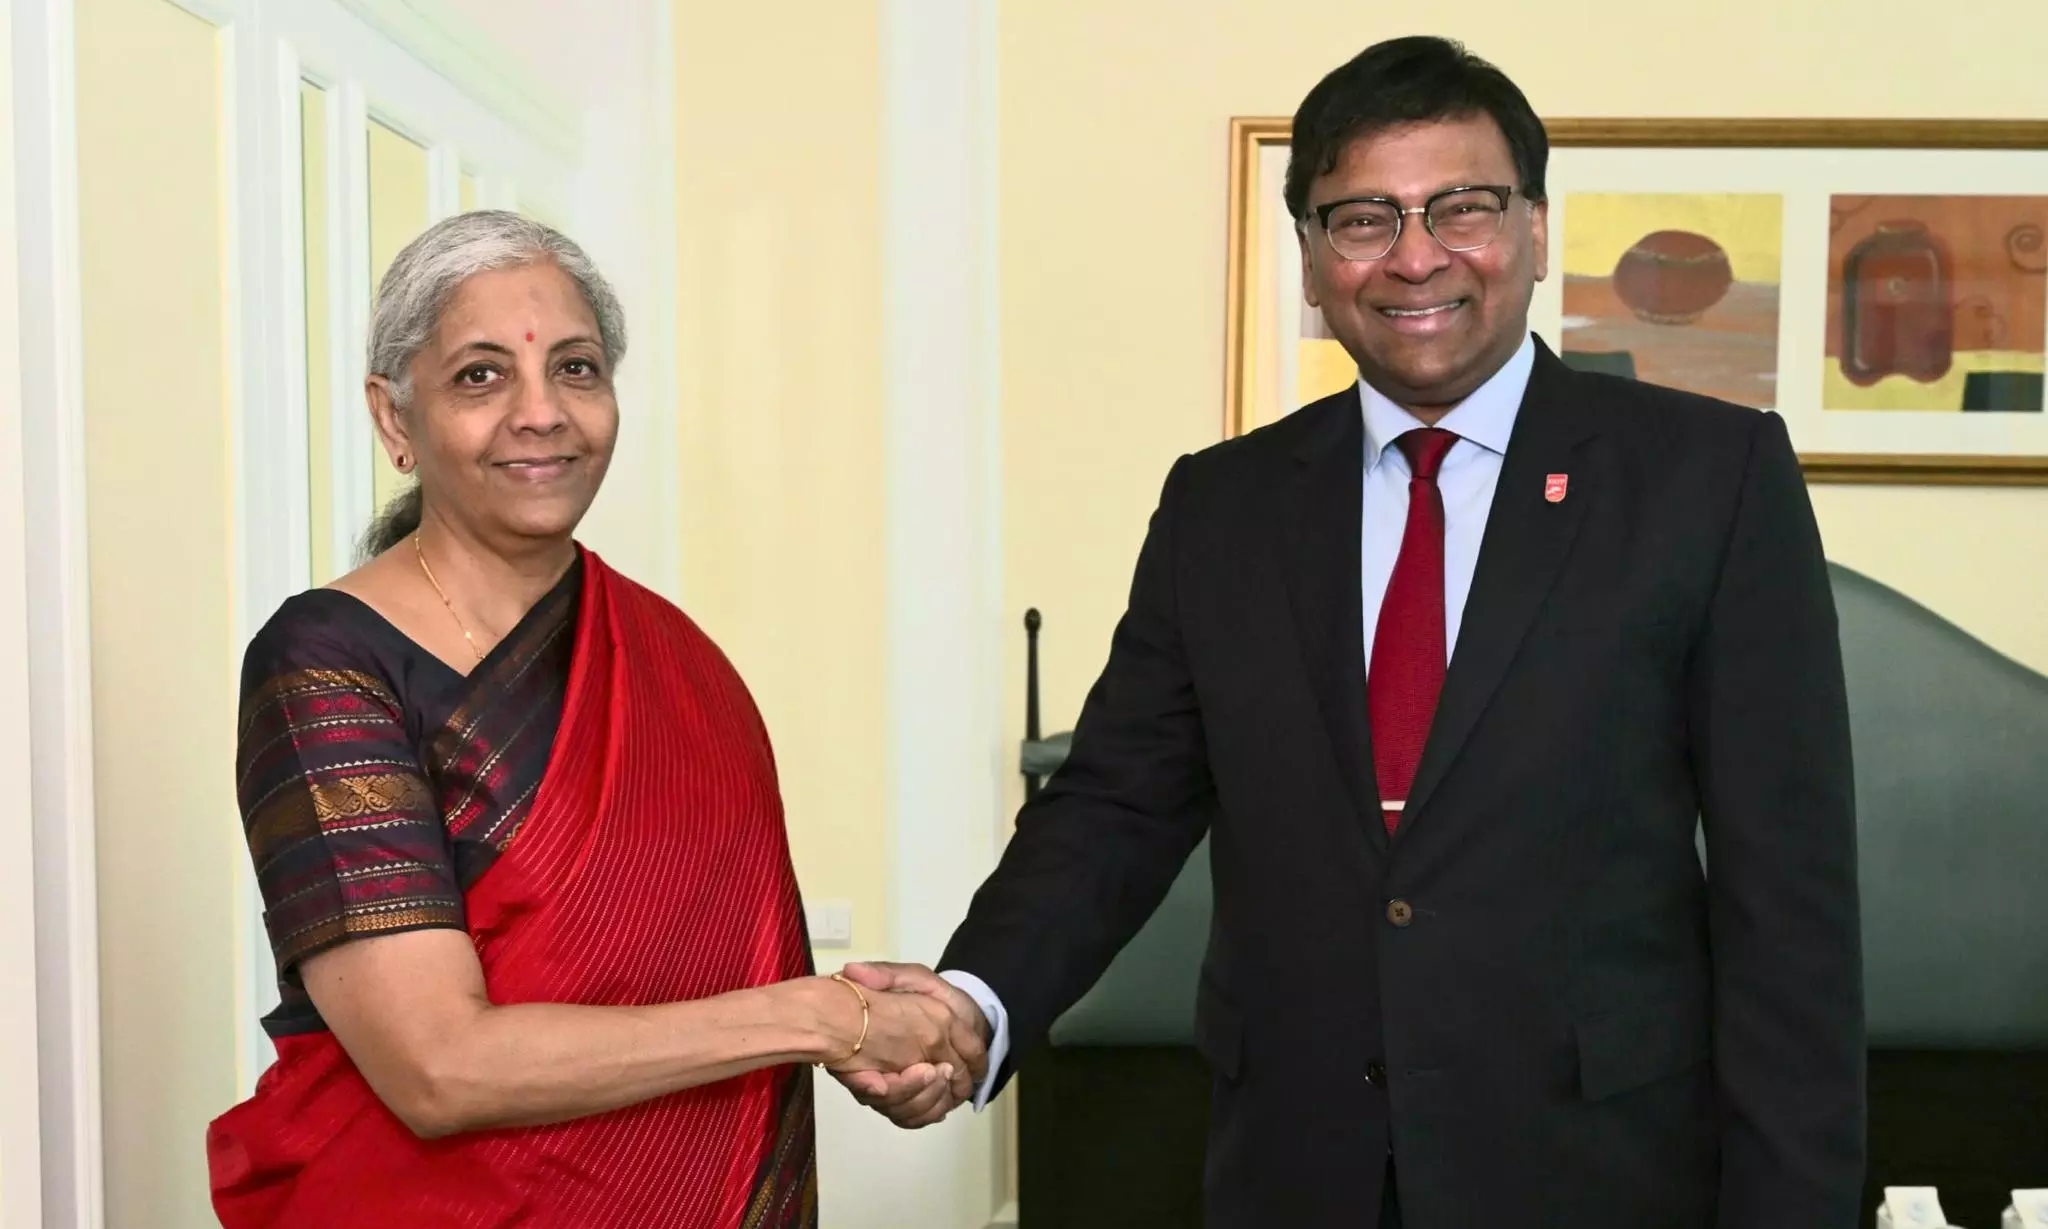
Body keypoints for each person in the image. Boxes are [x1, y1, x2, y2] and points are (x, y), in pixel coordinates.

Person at [840, 35, 1866, 1229]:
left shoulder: (1704, 478)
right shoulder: (1221, 505)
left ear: (1534, 229)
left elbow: (1785, 897)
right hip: (1296, 1163)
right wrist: (973, 1001)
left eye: (1462, 207)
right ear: (1314, 261)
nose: (1415, 254)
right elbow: (1114, 802)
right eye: (1363, 218)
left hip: (1599, 1166)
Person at [207, 210, 984, 1228]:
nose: (541, 412)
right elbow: (437, 1066)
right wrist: (825, 1015)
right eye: (481, 375)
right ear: (394, 418)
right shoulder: (326, 664)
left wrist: (888, 1050)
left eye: (575, 368)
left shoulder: (679, 662)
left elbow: (722, 971)